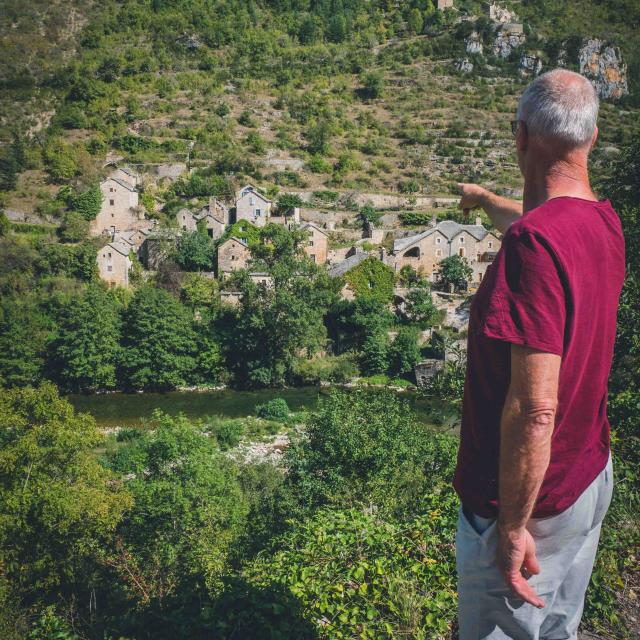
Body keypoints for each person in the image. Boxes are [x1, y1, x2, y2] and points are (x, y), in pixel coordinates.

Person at [454, 68, 626, 639]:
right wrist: (483, 201)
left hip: (533, 509)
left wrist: (510, 527)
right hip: (586, 479)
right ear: (592, 137)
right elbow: (539, 222)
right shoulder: (601, 223)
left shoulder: (532, 246)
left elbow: (534, 410)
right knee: (558, 630)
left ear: (520, 136)